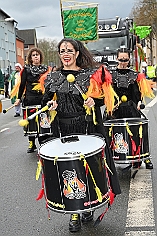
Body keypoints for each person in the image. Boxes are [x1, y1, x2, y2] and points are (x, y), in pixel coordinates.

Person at [41, 38, 121, 233]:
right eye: (62, 51)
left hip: (86, 128)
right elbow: (45, 102)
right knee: (69, 170)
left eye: (69, 50)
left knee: (87, 169)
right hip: (63, 128)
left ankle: (88, 206)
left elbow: (105, 99)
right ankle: (74, 213)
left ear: (77, 53)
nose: (65, 54)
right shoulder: (53, 77)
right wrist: (50, 105)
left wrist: (94, 102)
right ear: (59, 55)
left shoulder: (91, 75)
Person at [107, 48, 155, 169]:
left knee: (137, 132)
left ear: (129, 60)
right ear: (117, 59)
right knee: (110, 134)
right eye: (121, 59)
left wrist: (139, 102)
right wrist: (111, 105)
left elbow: (137, 94)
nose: (123, 62)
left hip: (131, 108)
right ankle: (110, 158)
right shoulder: (110, 75)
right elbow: (107, 93)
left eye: (126, 60)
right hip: (115, 110)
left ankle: (143, 156)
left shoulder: (135, 75)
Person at [14, 48, 51, 153]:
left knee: (43, 121)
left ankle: (43, 141)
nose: (36, 56)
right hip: (30, 100)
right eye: (34, 55)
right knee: (30, 122)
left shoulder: (46, 69)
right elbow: (22, 85)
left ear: (40, 57)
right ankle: (31, 143)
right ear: (30, 58)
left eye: (38, 55)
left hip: (42, 99)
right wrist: (18, 98)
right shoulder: (26, 69)